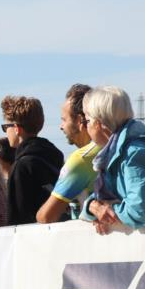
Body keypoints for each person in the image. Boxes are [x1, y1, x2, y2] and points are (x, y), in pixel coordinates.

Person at [80, 86, 145, 234]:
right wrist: (93, 206)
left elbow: (140, 211)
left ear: (98, 123)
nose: (85, 127)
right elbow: (101, 202)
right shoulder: (118, 154)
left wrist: (107, 211)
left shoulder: (135, 155)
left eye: (87, 121)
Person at [37, 83, 100, 223]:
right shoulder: (113, 146)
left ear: (80, 120)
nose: (61, 126)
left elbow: (46, 217)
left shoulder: (81, 159)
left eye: (64, 120)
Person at [0, 95, 64, 225]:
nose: (6, 132)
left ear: (16, 128)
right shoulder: (55, 156)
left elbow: (18, 218)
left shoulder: (22, 166)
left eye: (6, 127)